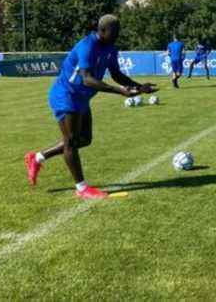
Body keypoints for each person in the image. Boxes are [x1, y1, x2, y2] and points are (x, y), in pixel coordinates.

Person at [23, 15, 158, 199]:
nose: (117, 34)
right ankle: (82, 188)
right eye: (114, 31)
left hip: (82, 98)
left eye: (119, 30)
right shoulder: (87, 46)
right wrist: (119, 91)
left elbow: (116, 74)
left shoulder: (111, 48)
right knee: (70, 141)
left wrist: (138, 86)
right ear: (102, 30)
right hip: (66, 95)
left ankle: (37, 157)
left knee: (85, 139)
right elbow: (87, 79)